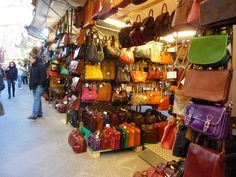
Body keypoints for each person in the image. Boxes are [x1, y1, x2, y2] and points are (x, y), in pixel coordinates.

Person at [27, 47, 47, 120]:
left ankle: (34, 114)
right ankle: (39, 113)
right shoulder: (32, 66)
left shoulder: (41, 66)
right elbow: (32, 76)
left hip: (39, 85)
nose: (29, 60)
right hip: (34, 85)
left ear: (34, 59)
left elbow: (44, 76)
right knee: (37, 99)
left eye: (30, 58)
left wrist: (41, 84)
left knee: (36, 99)